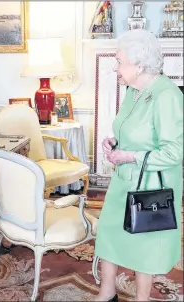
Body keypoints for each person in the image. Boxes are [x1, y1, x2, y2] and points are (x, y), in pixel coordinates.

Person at [94, 29, 183, 302]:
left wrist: (131, 156)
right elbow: (132, 131)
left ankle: (141, 299)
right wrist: (114, 143)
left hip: (150, 186)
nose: (114, 67)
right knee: (109, 233)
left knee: (143, 244)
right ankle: (107, 293)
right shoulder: (133, 91)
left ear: (140, 65)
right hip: (123, 179)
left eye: (119, 61)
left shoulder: (166, 96)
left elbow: (175, 151)